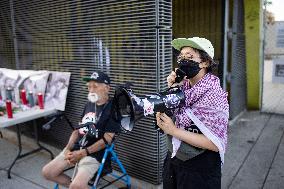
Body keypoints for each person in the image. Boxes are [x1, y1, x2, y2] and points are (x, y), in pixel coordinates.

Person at [156, 37, 229, 189]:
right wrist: (172, 88)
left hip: (200, 169)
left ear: (206, 62)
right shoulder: (183, 87)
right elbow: (171, 117)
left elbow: (215, 144)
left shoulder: (215, 95)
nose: (183, 61)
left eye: (189, 57)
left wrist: (173, 130)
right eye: (181, 57)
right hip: (174, 160)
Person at [42, 71, 121, 189]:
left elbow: (107, 139)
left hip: (94, 154)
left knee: (77, 186)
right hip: (76, 148)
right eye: (89, 86)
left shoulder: (114, 109)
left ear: (107, 88)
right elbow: (77, 130)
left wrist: (83, 153)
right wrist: (68, 147)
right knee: (47, 172)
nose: (91, 90)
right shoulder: (89, 104)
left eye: (95, 86)